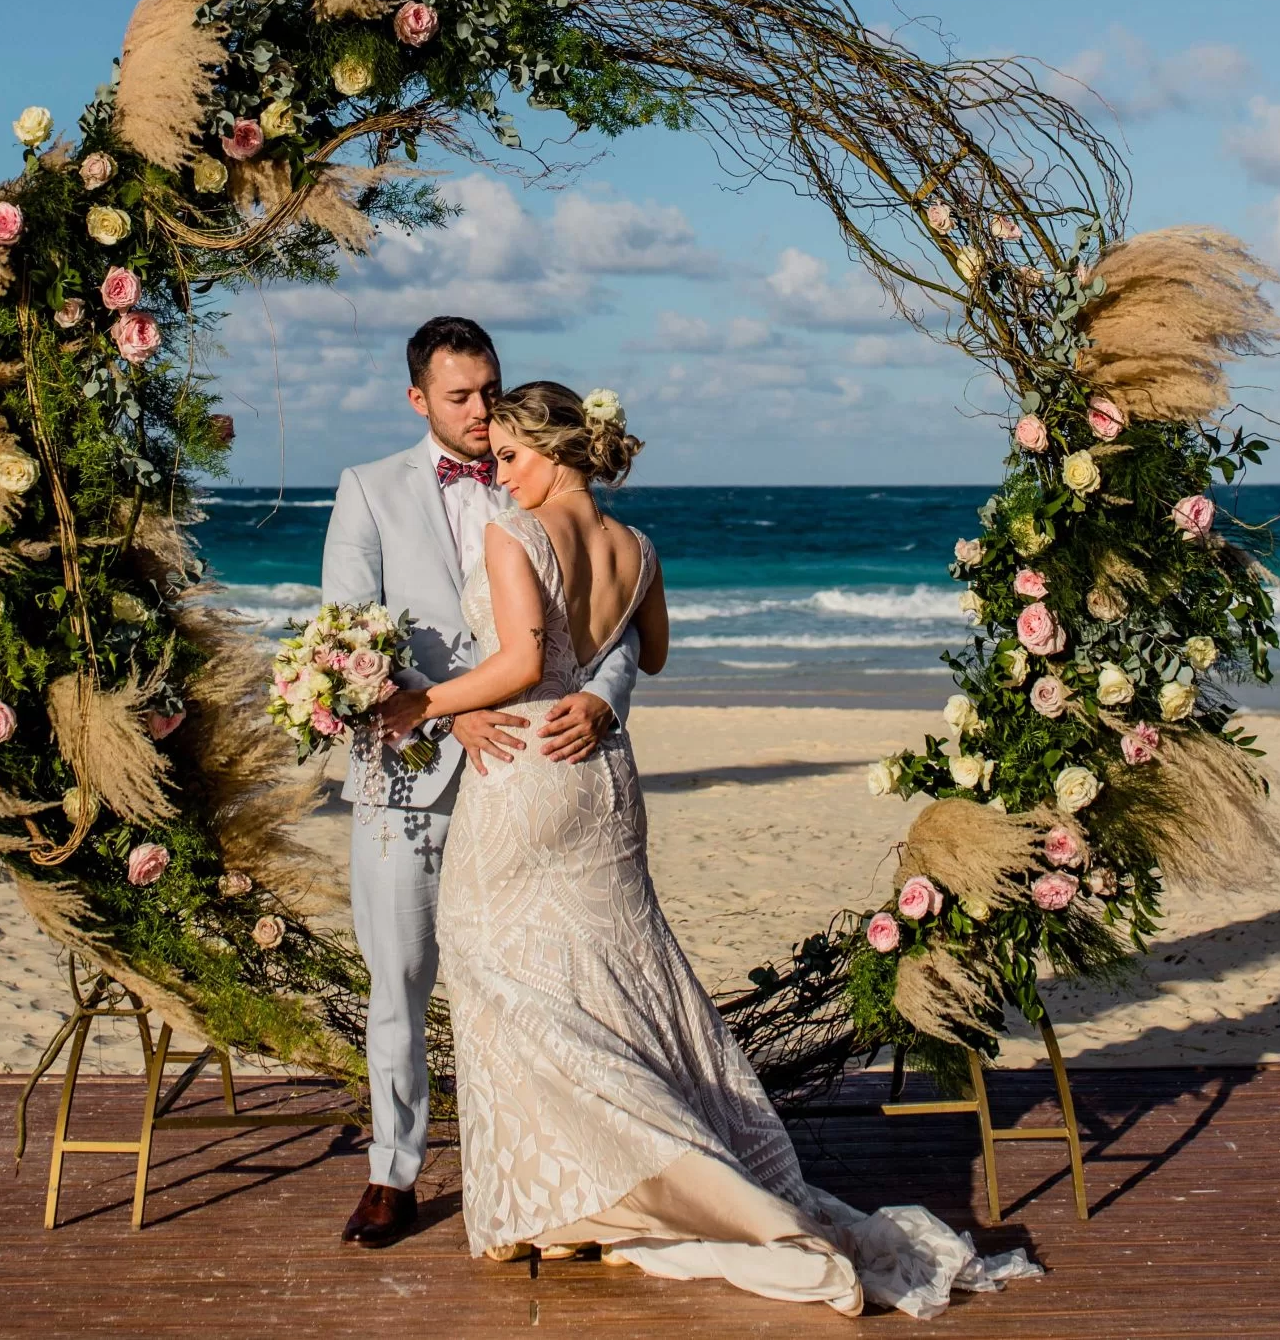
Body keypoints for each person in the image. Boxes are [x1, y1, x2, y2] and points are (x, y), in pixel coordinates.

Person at [376, 382, 1036, 1318]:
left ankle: (629, 1187)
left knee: (499, 974)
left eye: (514, 456)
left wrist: (425, 704)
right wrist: (593, 683)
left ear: (555, 451)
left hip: (525, 770)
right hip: (604, 779)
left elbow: (522, 662)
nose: (503, 474)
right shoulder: (638, 548)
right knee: (617, 975)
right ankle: (590, 1192)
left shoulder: (512, 533)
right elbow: (651, 654)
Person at [319, 318, 644, 1250]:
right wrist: (440, 704)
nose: (478, 412)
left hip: (537, 774)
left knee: (544, 976)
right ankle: (393, 1169)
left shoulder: (536, 491)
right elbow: (345, 630)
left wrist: (605, 701)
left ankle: (558, 1169)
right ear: (417, 397)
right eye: (459, 396)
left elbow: (607, 633)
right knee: (403, 976)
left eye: (489, 390)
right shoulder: (368, 491)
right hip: (412, 769)